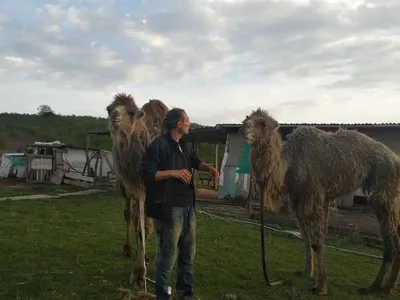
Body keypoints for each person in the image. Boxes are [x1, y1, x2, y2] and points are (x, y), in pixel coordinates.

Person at [139, 108, 220, 300]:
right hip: (170, 209)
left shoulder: (182, 144)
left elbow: (194, 161)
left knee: (188, 255)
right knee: (167, 258)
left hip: (188, 208)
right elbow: (146, 174)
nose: (190, 123)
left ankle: (186, 294)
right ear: (178, 124)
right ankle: (163, 296)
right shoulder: (159, 145)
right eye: (188, 120)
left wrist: (209, 168)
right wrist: (172, 173)